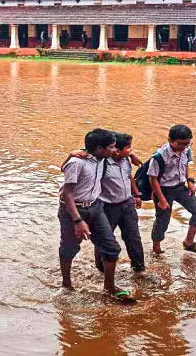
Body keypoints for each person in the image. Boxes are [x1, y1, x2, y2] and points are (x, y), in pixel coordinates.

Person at [58, 129, 136, 303]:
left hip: (96, 207)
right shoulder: (77, 162)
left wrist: (132, 155)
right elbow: (67, 194)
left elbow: (121, 151)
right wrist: (78, 221)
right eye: (112, 147)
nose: (114, 150)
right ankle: (66, 285)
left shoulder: (103, 158)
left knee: (112, 249)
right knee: (69, 249)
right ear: (100, 148)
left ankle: (109, 288)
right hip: (73, 210)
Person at [149, 125, 196, 257]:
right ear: (170, 140)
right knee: (163, 220)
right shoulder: (159, 156)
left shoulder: (186, 151)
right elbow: (153, 179)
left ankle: (189, 242)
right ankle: (156, 247)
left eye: (187, 143)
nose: (183, 147)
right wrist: (162, 200)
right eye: (180, 143)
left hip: (180, 187)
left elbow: (185, 165)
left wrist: (190, 181)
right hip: (163, 190)